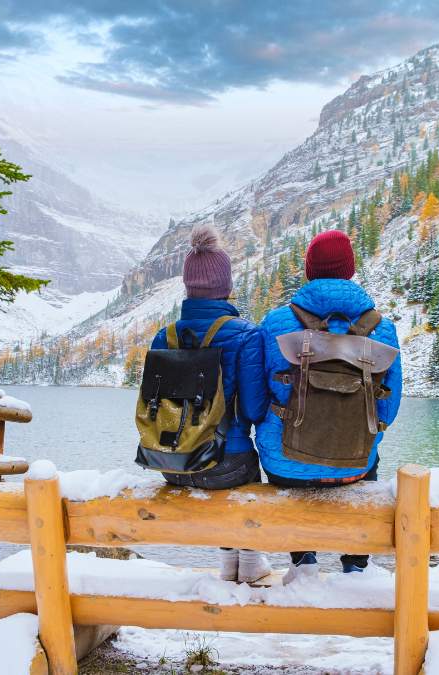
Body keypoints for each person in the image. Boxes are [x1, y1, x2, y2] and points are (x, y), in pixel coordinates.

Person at [256, 230, 402, 584]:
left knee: (281, 452)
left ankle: (303, 561)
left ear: (309, 270)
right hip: (354, 464)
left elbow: (257, 396)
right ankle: (355, 565)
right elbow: (389, 407)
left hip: (285, 466)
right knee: (369, 459)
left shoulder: (275, 323)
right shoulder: (382, 329)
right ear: (350, 270)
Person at [148, 225, 272, 584]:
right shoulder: (246, 334)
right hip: (224, 465)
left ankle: (227, 564)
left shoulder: (164, 335)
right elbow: (252, 410)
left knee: (225, 471)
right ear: (226, 286)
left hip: (173, 464)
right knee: (244, 471)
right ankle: (249, 561)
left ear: (187, 287)